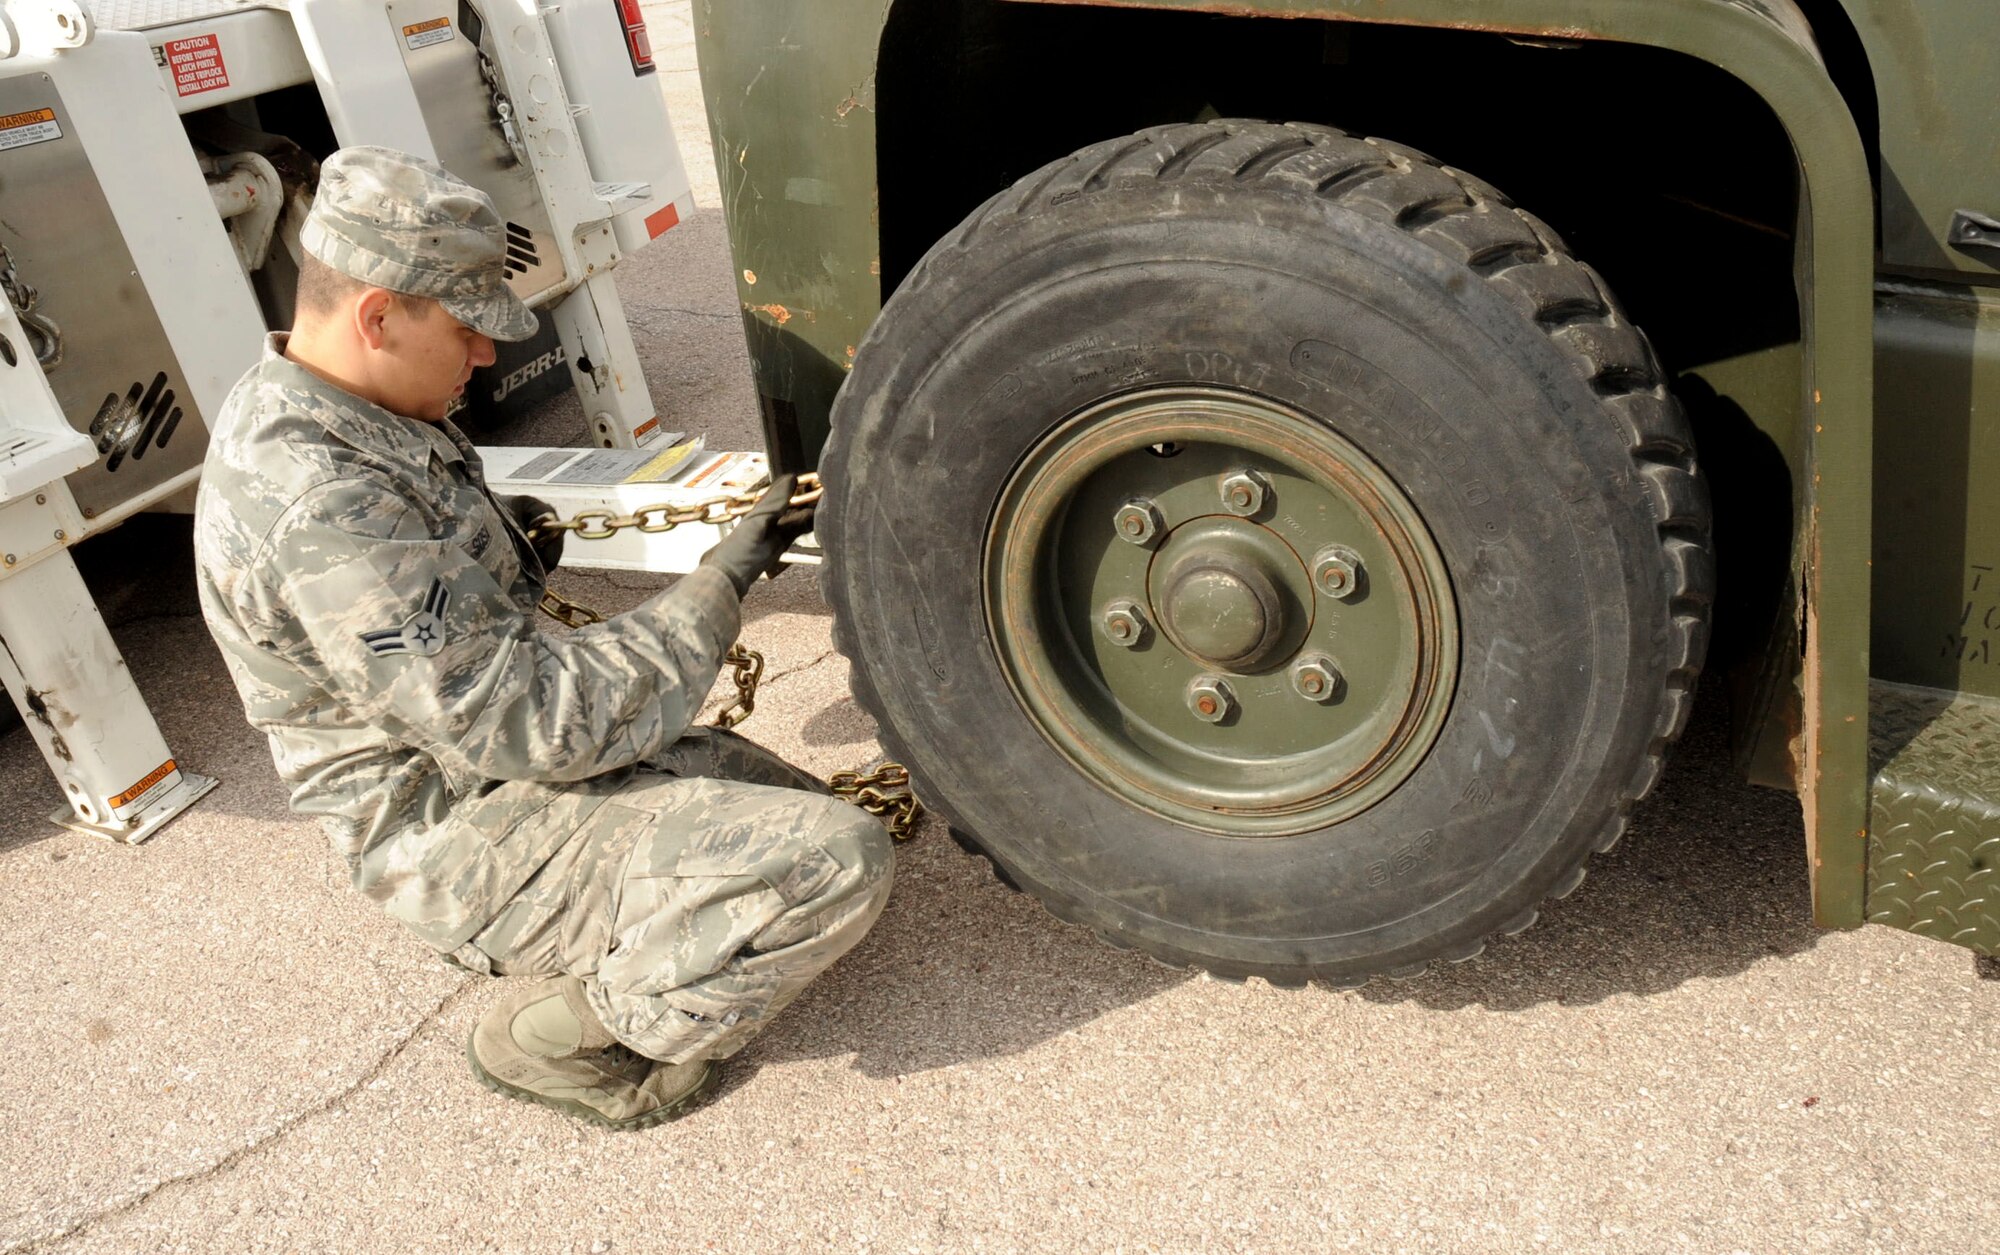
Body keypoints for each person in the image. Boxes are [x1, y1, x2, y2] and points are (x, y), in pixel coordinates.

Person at [193, 146, 893, 1131]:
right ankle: (567, 1034)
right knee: (832, 860)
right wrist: (719, 585)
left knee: (786, 811)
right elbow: (529, 721)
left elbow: (439, 600)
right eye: (469, 328)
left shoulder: (340, 405)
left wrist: (511, 534)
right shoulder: (322, 501)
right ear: (378, 314)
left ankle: (598, 917)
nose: (486, 357)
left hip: (487, 766)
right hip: (453, 827)